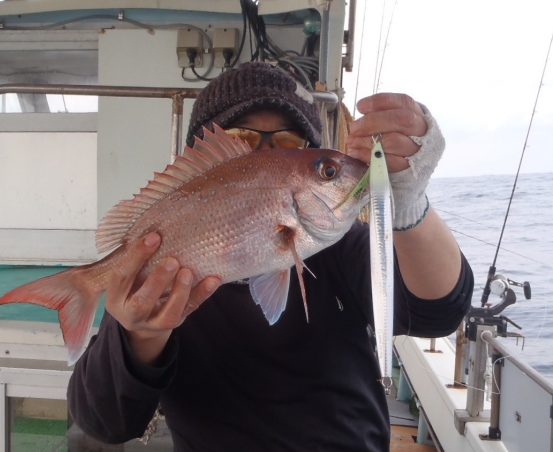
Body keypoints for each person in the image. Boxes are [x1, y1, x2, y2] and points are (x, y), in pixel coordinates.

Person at [68, 62, 473, 451]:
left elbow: (434, 314)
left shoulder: (340, 245)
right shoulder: (154, 273)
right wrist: (143, 335)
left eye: (289, 142)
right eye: (240, 139)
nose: (261, 156)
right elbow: (104, 422)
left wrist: (409, 205)